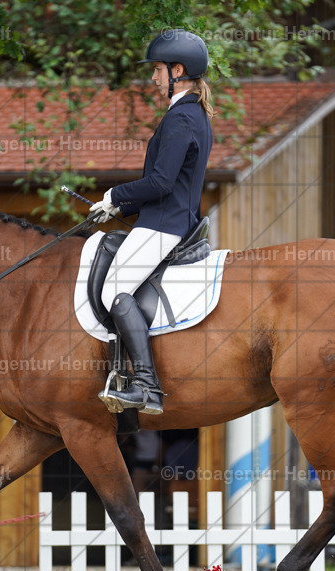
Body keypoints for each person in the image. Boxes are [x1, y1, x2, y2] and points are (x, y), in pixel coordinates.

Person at [91, 28, 214, 415]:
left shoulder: (181, 117)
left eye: (158, 69)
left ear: (178, 71)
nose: (153, 77)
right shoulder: (193, 113)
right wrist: (120, 208)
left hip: (164, 225)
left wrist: (115, 195)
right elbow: (171, 184)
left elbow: (161, 183)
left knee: (113, 291)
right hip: (168, 218)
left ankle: (146, 386)